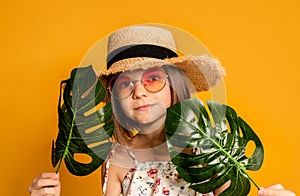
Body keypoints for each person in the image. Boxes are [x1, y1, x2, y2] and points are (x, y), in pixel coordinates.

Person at [28, 25, 296, 196]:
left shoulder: (208, 149)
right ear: (112, 96)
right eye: (125, 83)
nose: (139, 91)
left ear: (174, 86)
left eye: (153, 79)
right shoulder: (117, 159)